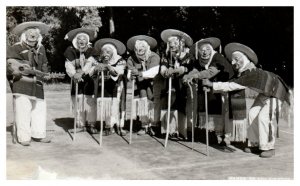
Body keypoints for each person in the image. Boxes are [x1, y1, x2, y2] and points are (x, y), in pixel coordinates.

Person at [202, 42, 290, 158]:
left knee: (264, 117)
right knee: (253, 113)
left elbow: (232, 86)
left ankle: (269, 147)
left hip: (276, 92)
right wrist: (212, 88)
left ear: (244, 58)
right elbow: (230, 83)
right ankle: (255, 143)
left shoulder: (251, 73)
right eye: (232, 60)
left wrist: (211, 84)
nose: (233, 62)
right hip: (265, 93)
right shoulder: (243, 73)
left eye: (236, 59)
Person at [182, 37, 234, 146]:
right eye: (202, 49)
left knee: (224, 109)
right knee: (212, 108)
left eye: (207, 49)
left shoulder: (218, 57)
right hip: (211, 86)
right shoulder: (199, 60)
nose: (204, 52)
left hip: (224, 84)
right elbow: (196, 69)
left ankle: (227, 135)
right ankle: (217, 133)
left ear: (211, 50)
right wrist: (188, 76)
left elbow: (211, 72)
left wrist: (196, 76)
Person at [6, 21, 51, 146]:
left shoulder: (41, 48)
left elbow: (44, 64)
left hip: (38, 83)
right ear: (25, 35)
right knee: (23, 110)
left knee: (39, 109)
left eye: (35, 33)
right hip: (22, 83)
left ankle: (38, 134)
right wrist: (15, 70)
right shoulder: (16, 47)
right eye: (30, 33)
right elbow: (8, 64)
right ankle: (24, 137)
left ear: (39, 35)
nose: (33, 35)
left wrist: (46, 74)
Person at [160, 29, 194, 138]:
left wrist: (173, 71)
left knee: (182, 105)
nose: (172, 45)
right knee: (170, 102)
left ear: (181, 44)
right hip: (170, 84)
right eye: (170, 43)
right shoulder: (166, 55)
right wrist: (165, 72)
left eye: (175, 43)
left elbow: (186, 68)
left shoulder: (188, 56)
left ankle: (183, 130)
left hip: (183, 84)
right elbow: (162, 67)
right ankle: (170, 130)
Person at [126, 35, 162, 136]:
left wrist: (140, 73)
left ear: (147, 48)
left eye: (142, 47)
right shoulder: (131, 58)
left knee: (154, 102)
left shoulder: (154, 56)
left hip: (154, 83)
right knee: (142, 102)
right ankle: (144, 125)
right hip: (140, 84)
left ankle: (154, 125)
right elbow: (129, 72)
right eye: (137, 47)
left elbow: (153, 72)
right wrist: (131, 75)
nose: (140, 49)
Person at [64, 28, 98, 134]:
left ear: (87, 41)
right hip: (76, 79)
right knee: (78, 101)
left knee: (90, 101)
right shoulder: (70, 50)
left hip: (90, 79)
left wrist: (82, 72)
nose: (81, 41)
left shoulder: (92, 51)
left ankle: (91, 124)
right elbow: (68, 65)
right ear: (76, 40)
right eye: (79, 39)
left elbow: (91, 64)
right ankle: (80, 124)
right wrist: (74, 75)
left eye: (84, 39)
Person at [91, 38, 127, 136]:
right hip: (103, 86)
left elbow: (119, 72)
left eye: (108, 51)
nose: (105, 54)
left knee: (117, 105)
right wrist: (96, 69)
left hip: (117, 86)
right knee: (106, 105)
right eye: (103, 52)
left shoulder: (120, 60)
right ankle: (108, 126)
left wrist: (108, 67)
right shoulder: (98, 60)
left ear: (113, 52)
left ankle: (120, 126)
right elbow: (92, 73)